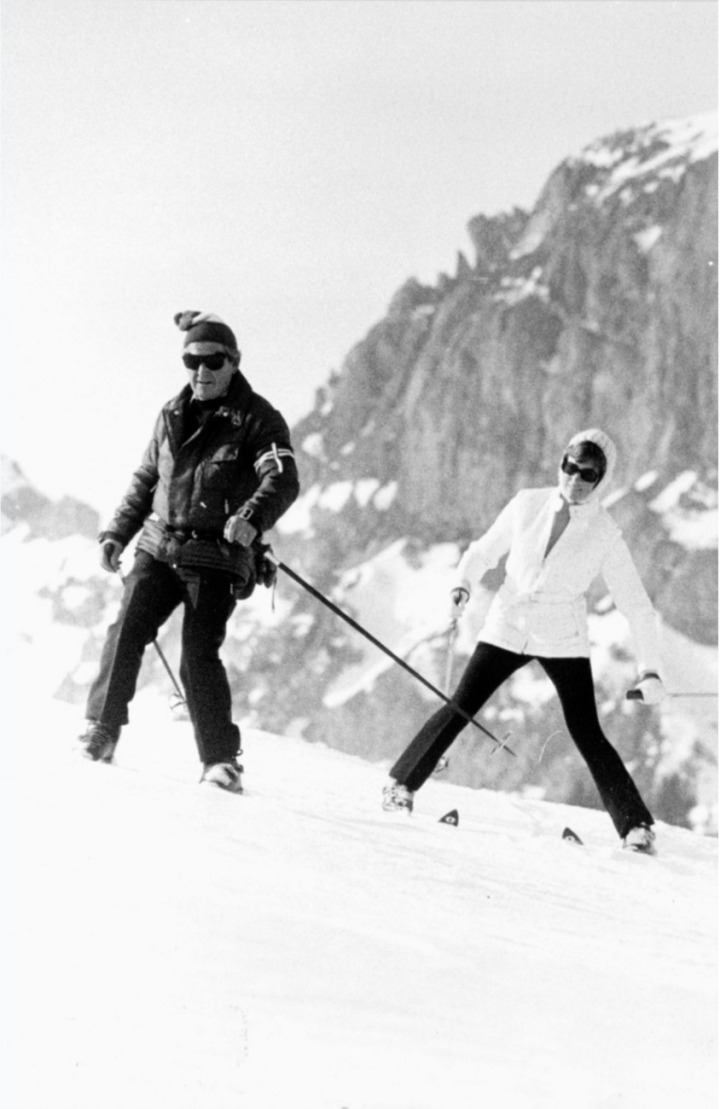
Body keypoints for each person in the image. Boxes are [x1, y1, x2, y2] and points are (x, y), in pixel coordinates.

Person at [382, 429, 665, 853]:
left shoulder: (606, 534)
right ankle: (400, 784)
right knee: (462, 703)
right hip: (507, 624)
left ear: (601, 479)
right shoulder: (527, 503)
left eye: (589, 473)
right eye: (571, 465)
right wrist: (463, 583)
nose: (575, 478)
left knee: (586, 730)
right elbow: (482, 552)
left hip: (562, 637)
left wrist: (651, 669)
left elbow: (638, 607)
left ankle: (636, 827)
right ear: (562, 461)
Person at [78, 310, 300, 792]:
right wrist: (117, 532)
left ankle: (220, 763)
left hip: (215, 558)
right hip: (158, 547)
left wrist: (252, 518)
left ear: (234, 362)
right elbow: (146, 480)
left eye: (213, 361)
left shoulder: (259, 420)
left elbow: (281, 478)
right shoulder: (169, 413)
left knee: (197, 655)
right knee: (125, 633)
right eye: (191, 361)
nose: (201, 371)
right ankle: (101, 731)